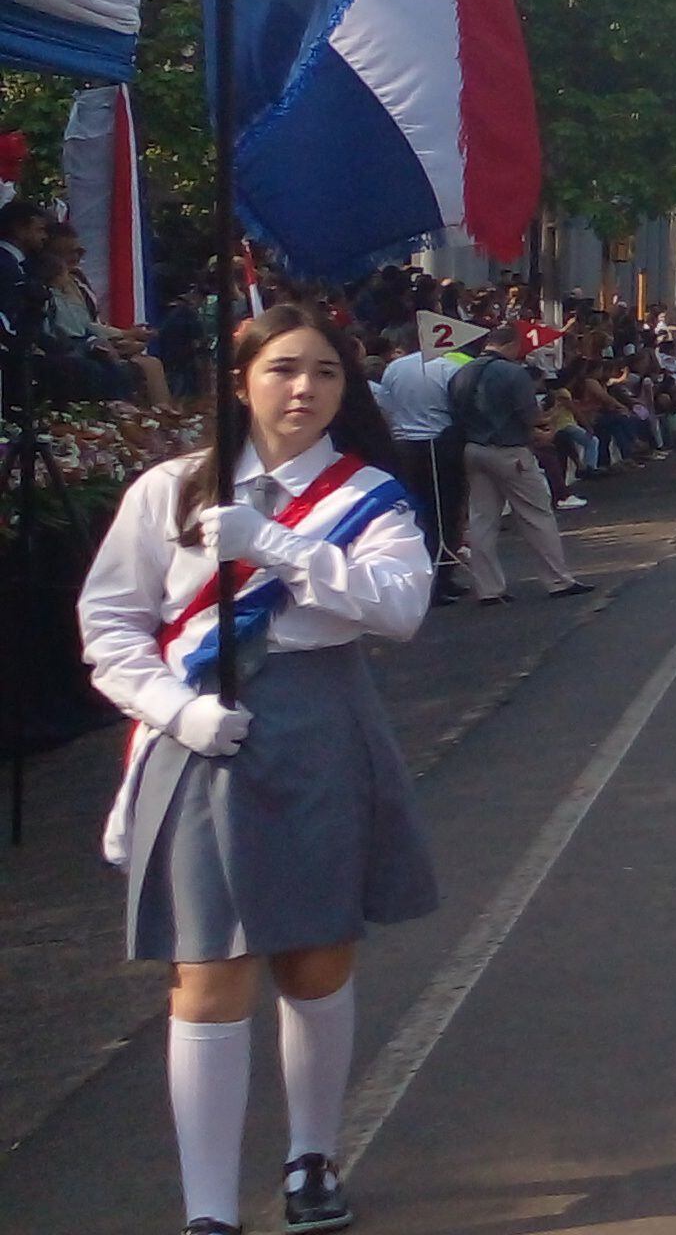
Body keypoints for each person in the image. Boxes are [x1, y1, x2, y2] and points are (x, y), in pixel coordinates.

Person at [78, 305, 438, 1235]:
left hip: (323, 726)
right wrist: (176, 709)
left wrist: (272, 544)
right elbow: (110, 626)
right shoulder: (170, 489)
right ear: (241, 381)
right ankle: (208, 1209)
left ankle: (311, 1159)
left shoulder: (370, 496)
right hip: (201, 737)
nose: (303, 389)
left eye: (324, 372)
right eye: (282, 369)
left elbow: (400, 608)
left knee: (315, 960)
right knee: (209, 974)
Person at [448, 330, 591, 606]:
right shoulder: (514, 374)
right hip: (509, 449)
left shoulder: (462, 372)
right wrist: (544, 428)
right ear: (511, 345)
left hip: (473, 447)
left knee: (482, 519)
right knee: (536, 514)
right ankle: (558, 580)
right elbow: (529, 416)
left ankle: (488, 588)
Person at [373, 325, 473, 599]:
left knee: (418, 510)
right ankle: (441, 575)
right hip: (440, 443)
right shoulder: (448, 368)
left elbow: (387, 404)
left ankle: (425, 573)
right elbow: (459, 405)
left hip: (406, 445)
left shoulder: (394, 368)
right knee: (447, 510)